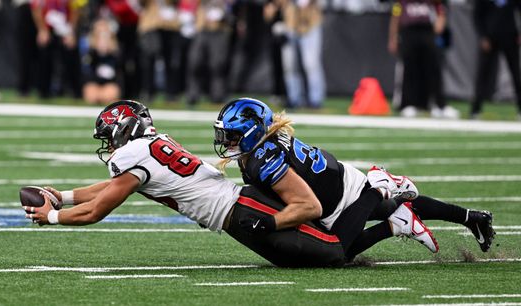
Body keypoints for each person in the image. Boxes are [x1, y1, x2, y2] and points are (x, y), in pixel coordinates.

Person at [25, 100, 406, 268]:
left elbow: (98, 210)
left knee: (332, 253)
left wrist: (52, 218)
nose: (109, 147)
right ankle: (393, 218)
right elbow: (108, 191)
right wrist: (62, 196)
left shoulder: (135, 156)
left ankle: (378, 195)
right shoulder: (148, 147)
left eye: (110, 137)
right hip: (233, 211)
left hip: (242, 208)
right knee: (315, 258)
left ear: (125, 131)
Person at [212, 97, 496, 260]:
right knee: (388, 208)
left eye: (232, 135)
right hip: (337, 183)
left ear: (251, 132)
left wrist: (270, 222)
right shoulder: (262, 147)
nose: (227, 142)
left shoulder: (265, 158)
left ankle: (382, 195)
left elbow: (310, 207)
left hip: (340, 197)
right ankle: (472, 217)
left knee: (336, 251)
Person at [388, 0, 459, 119]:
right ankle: (408, 104)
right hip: (409, 31)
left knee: (433, 67)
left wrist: (440, 21)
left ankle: (439, 105)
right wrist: (393, 37)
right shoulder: (401, 3)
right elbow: (395, 14)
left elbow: (441, 9)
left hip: (427, 31)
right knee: (410, 68)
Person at [471, 0, 521, 120]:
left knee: (516, 74)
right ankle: (475, 110)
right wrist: (483, 36)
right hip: (490, 38)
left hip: (510, 37)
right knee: (482, 74)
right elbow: (477, 15)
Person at [82, 18, 121, 105]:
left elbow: (118, 70)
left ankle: (103, 97)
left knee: (111, 93)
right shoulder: (90, 50)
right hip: (94, 83)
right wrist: (97, 51)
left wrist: (109, 51)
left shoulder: (116, 51)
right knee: (92, 95)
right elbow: (87, 70)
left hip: (109, 84)